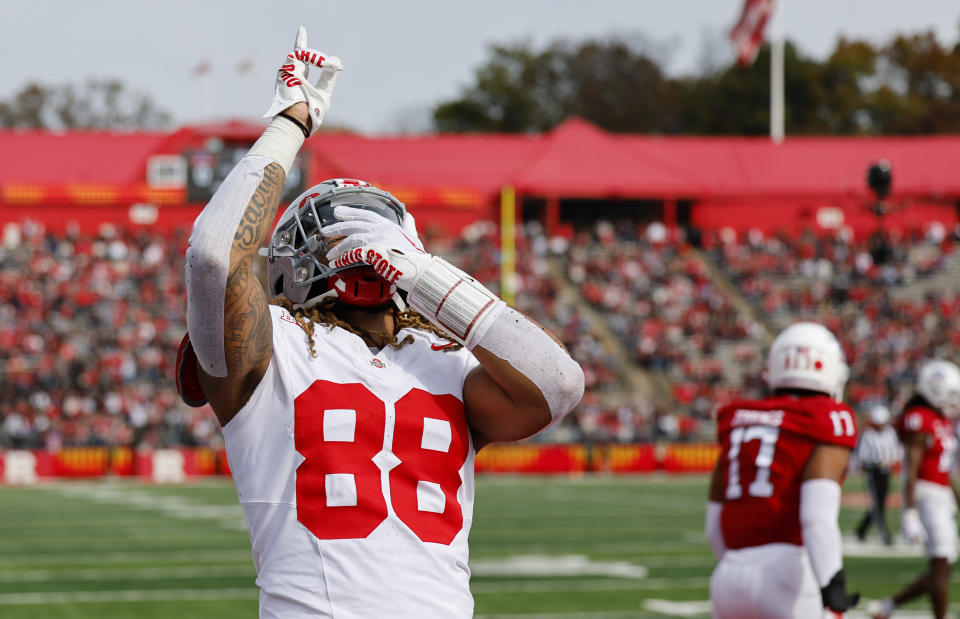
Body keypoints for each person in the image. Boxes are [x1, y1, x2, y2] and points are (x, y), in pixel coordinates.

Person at [175, 27, 585, 618]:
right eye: (344, 239)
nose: (363, 254)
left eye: (376, 242)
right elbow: (215, 255)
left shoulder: (448, 363)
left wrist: (417, 273)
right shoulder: (274, 348)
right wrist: (289, 124)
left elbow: (561, 384)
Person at [706, 322, 861, 618]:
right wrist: (832, 584)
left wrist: (736, 564)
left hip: (728, 574)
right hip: (788, 571)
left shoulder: (737, 416)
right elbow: (817, 518)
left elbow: (713, 524)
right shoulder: (828, 417)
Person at [869, 359, 960, 619]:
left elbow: (944, 471)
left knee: (941, 569)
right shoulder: (919, 418)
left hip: (940, 494)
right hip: (926, 495)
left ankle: (888, 606)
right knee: (941, 566)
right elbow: (912, 468)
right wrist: (909, 512)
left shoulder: (940, 418)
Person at [853, 404, 901, 545]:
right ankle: (884, 534)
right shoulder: (868, 435)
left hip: (886, 472)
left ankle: (861, 530)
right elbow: (862, 456)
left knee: (880, 504)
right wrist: (873, 464)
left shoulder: (890, 432)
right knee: (877, 504)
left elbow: (896, 451)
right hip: (873, 472)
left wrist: (890, 461)